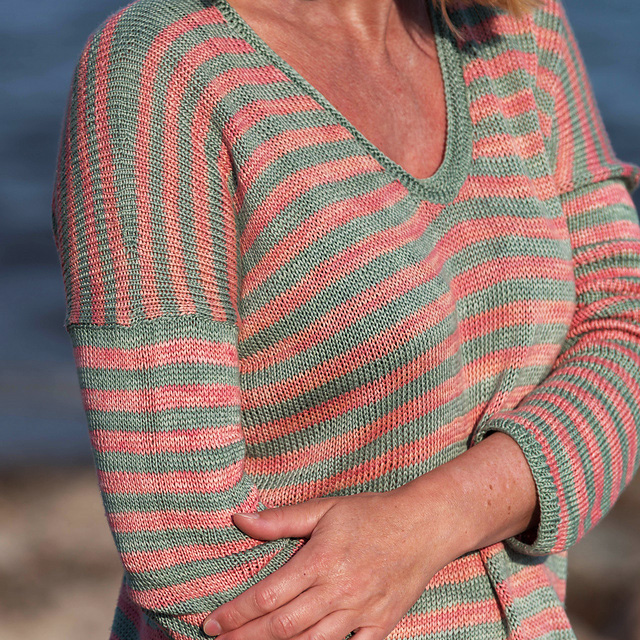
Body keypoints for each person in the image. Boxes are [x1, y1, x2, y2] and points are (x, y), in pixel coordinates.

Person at [50, 0, 640, 638]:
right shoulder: (161, 67)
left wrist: (435, 519)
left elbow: (624, 330)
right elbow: (180, 540)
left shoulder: (514, 24)